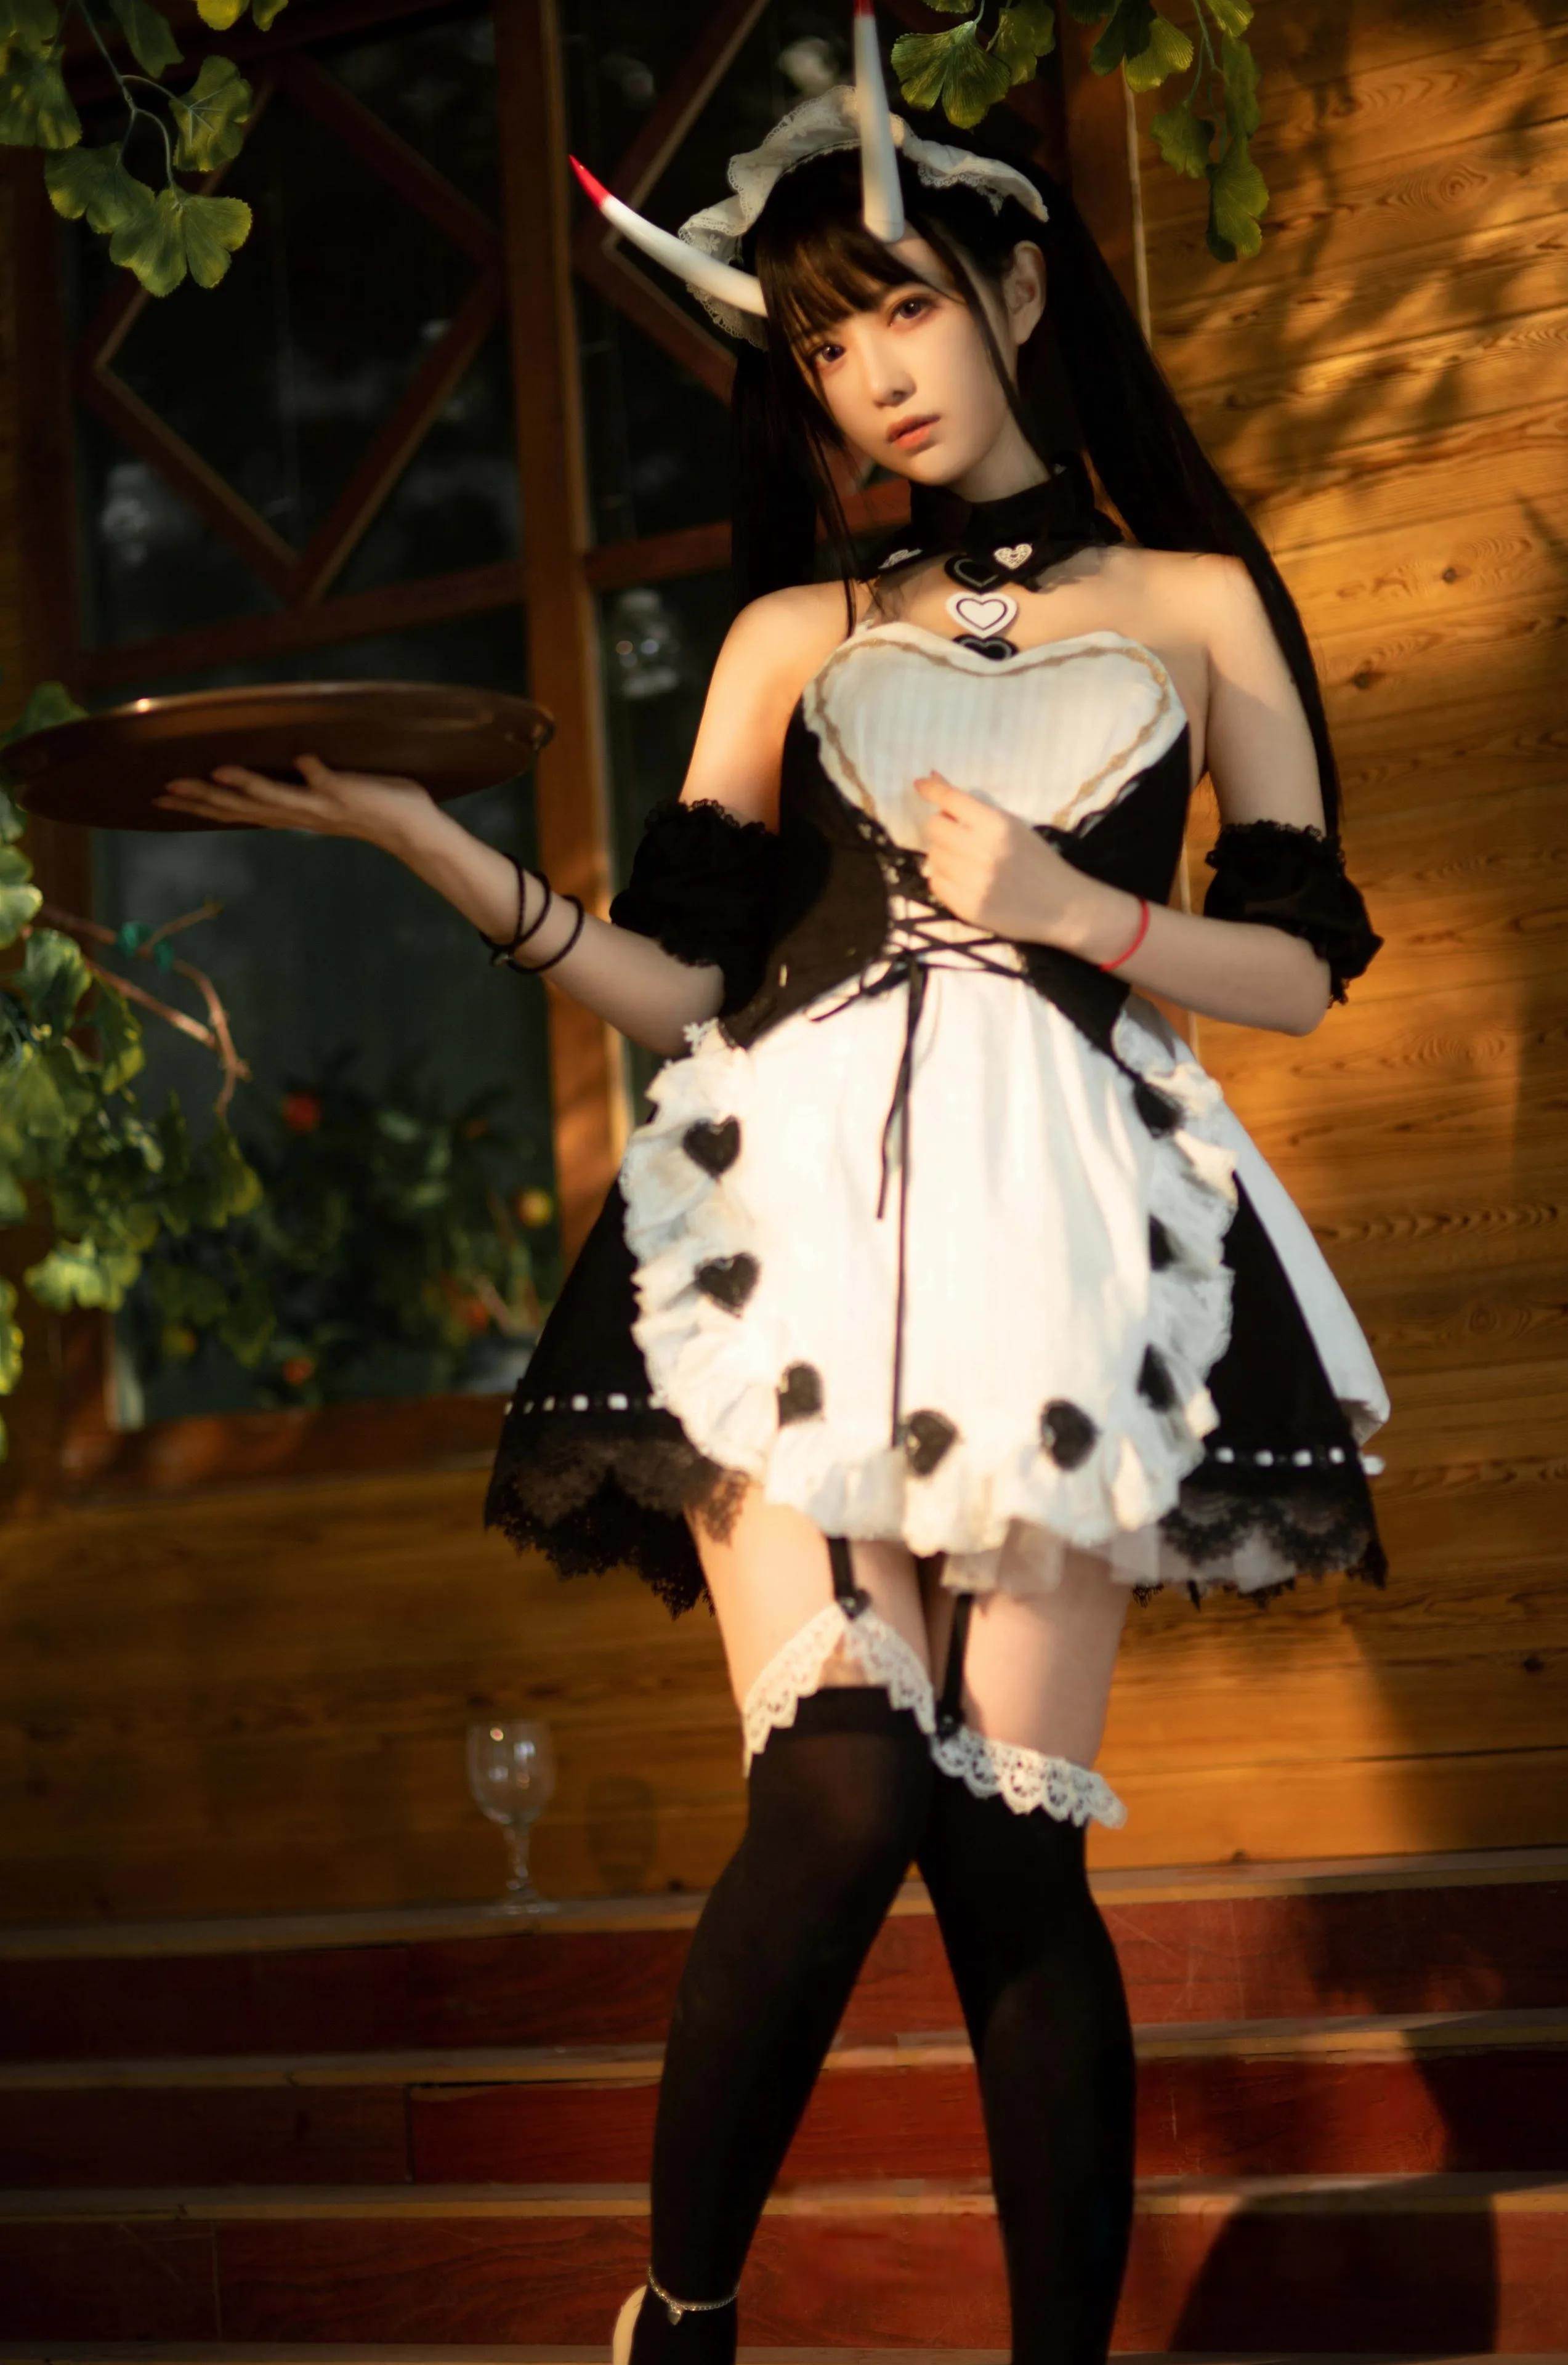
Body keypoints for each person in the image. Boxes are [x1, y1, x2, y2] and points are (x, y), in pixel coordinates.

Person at [156, 14, 1389, 2359]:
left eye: (902, 308)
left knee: (1011, 1853)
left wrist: (1078, 907)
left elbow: (1307, 969)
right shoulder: (787, 636)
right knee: (840, 1800)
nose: (870, 375)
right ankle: (684, 2319)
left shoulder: (1198, 602)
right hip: (793, 1210)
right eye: (824, 343)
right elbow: (680, 984)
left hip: (1071, 1233)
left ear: (1017, 288)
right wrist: (434, 849)